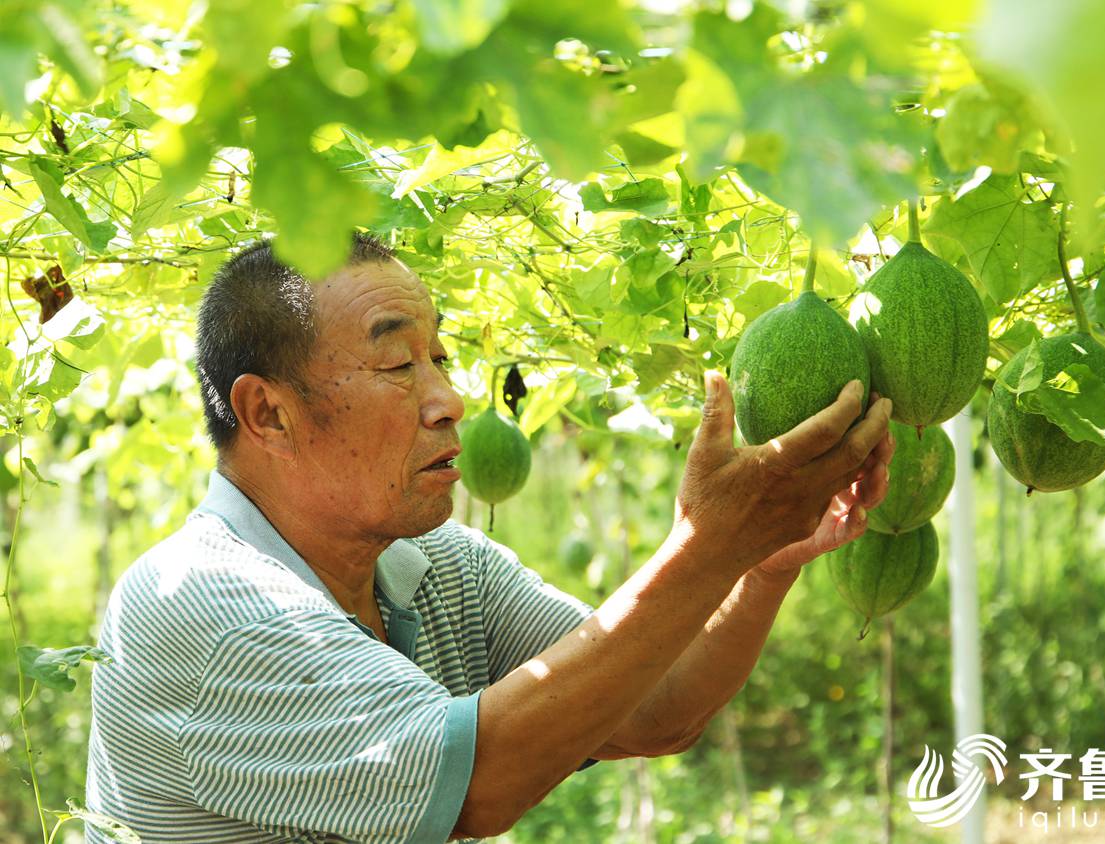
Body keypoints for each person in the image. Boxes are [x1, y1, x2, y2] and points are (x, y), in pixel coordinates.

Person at [85, 233, 894, 843]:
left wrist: (756, 566)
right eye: (397, 366)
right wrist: (709, 544)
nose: (449, 400)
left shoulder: (440, 566)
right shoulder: (207, 605)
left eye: (439, 358)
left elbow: (657, 709)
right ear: (268, 413)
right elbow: (476, 785)